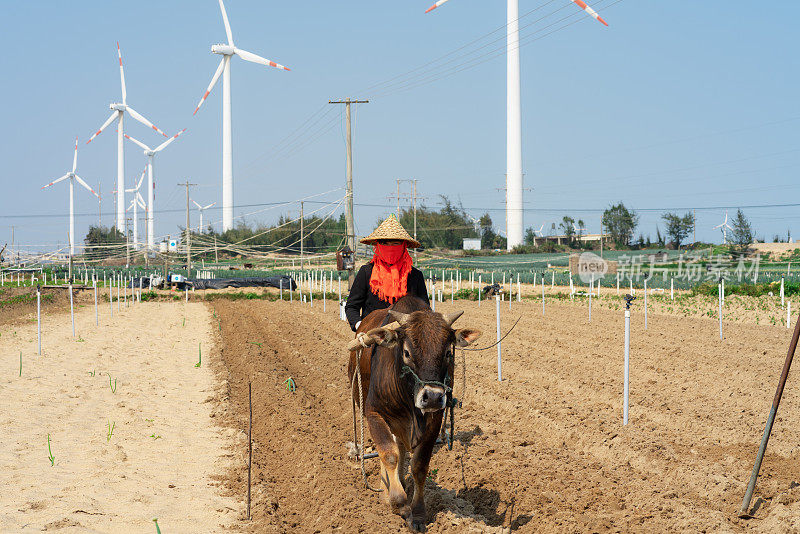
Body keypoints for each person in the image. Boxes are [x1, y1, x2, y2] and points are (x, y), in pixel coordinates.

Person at [345, 215, 429, 332]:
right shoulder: (366, 272)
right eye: (385, 243)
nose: (390, 248)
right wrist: (360, 326)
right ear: (378, 246)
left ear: (404, 246)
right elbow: (351, 306)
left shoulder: (415, 275)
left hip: (407, 334)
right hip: (373, 333)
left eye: (395, 244)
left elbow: (425, 309)